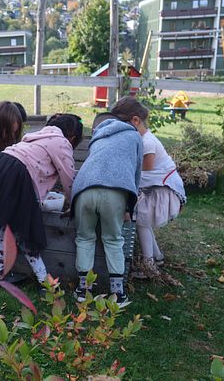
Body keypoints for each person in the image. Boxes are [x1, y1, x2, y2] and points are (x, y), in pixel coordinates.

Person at [0, 113, 83, 288]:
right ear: (72, 137)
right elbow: (69, 180)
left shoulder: (37, 135)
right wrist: (74, 204)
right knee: (26, 231)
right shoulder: (61, 142)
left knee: (10, 227)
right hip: (16, 175)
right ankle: (44, 280)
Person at [71, 97, 145, 302]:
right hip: (116, 190)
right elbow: (136, 174)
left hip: (84, 189)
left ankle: (83, 290)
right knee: (113, 239)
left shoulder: (99, 135)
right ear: (135, 120)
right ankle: (117, 292)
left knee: (84, 238)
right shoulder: (134, 137)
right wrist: (130, 205)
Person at [132, 102, 187, 280]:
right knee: (142, 219)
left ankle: (150, 267)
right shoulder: (145, 138)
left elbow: (145, 171)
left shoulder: (147, 142)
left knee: (141, 219)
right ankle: (157, 257)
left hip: (165, 190)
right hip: (159, 186)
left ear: (135, 121)